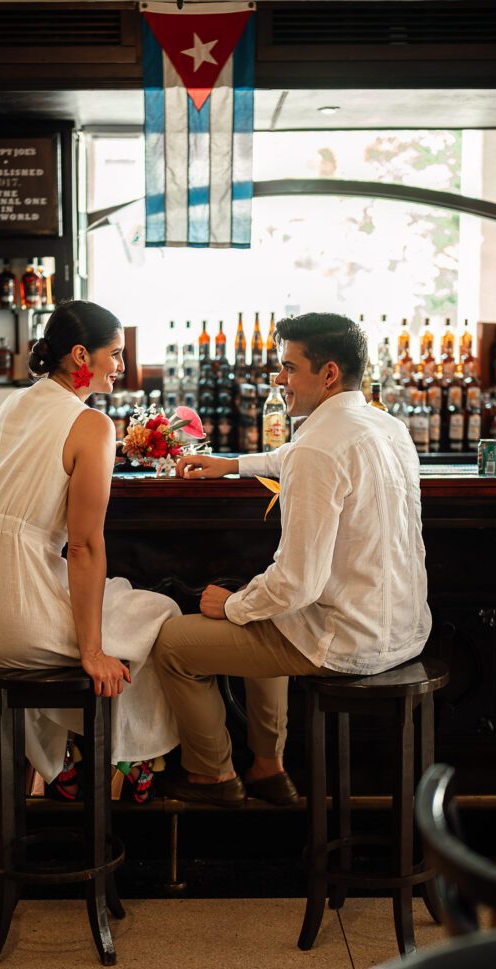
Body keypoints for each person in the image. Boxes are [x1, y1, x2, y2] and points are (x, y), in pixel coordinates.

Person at [153, 312, 432, 807]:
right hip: (404, 630)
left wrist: (233, 605)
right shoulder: (385, 426)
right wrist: (233, 465)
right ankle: (268, 768)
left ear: (327, 374)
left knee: (174, 642)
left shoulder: (319, 447)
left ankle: (212, 776)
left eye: (287, 367)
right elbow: (297, 456)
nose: (278, 380)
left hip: (348, 642)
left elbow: (298, 584)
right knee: (271, 614)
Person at [0, 300, 180, 800]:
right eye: (115, 354)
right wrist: (92, 651)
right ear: (81, 355)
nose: (121, 366)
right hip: (19, 609)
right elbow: (83, 546)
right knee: (158, 611)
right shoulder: (93, 425)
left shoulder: (15, 402)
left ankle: (61, 763)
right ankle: (127, 756)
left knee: (115, 607)